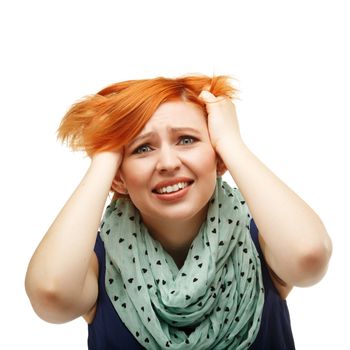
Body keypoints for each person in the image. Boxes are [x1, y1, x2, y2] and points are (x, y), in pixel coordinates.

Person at [25, 75, 332, 349]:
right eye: (142, 149)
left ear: (218, 157)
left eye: (187, 139)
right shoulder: (90, 263)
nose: (168, 163)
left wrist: (231, 143)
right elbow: (50, 294)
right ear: (119, 176)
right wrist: (105, 157)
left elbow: (309, 255)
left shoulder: (265, 239)